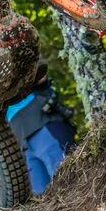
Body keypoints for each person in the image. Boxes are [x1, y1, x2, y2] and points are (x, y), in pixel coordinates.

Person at [6, 64, 76, 195]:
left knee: (69, 180)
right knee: (43, 198)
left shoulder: (14, 65)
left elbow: (40, 71)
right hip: (21, 144)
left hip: (44, 126)